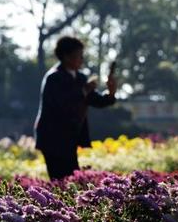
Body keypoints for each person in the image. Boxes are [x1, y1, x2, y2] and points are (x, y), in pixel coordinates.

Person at [34, 36, 118, 180]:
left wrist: (111, 92)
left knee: (71, 178)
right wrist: (83, 91)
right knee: (62, 179)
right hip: (53, 138)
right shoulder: (54, 78)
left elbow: (96, 100)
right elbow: (61, 104)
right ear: (67, 56)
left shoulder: (80, 78)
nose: (82, 59)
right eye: (79, 55)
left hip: (69, 138)